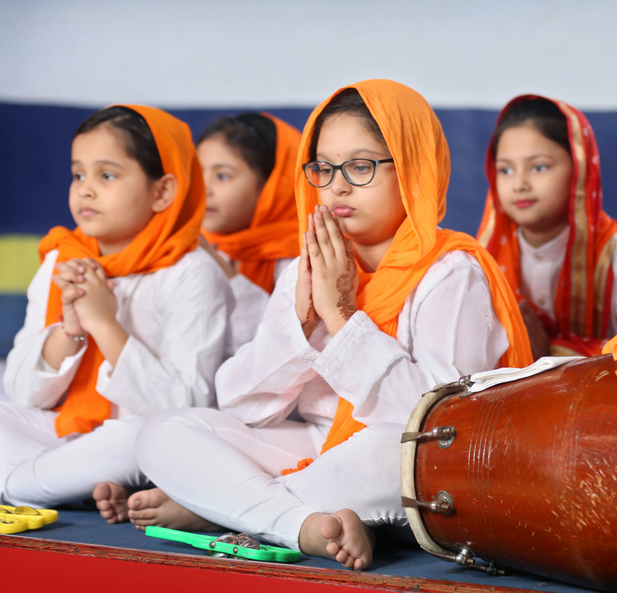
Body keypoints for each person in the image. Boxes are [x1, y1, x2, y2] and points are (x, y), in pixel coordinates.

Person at [124, 80, 531, 571]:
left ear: (415, 171)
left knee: (398, 453)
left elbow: (438, 420)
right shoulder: (310, 265)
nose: (337, 186)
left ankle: (227, 508)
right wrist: (302, 320)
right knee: (164, 432)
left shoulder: (450, 272)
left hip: (397, 459)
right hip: (317, 447)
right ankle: (303, 525)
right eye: (323, 168)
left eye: (360, 167)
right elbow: (243, 403)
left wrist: (341, 314)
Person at [0, 105, 229, 516]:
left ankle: (21, 486)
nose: (85, 190)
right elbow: (22, 395)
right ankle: (57, 484)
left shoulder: (192, 273)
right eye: (78, 175)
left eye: (106, 175)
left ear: (162, 192)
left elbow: (186, 404)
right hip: (58, 435)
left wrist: (104, 324)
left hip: (127, 440)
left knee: (150, 436)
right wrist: (69, 331)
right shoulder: (62, 261)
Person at [478, 95, 617, 359]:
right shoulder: (482, 261)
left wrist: (554, 354)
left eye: (538, 167)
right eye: (505, 170)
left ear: (580, 170)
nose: (519, 184)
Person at [197, 112, 301, 353]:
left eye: (222, 176)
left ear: (272, 187)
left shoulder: (300, 257)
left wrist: (226, 276)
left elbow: (279, 347)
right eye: (197, 173)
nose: (204, 189)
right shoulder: (189, 245)